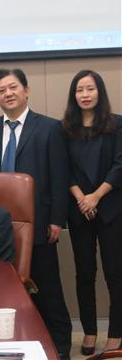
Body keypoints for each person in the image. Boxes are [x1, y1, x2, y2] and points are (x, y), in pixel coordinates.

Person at [0, 68, 72, 358]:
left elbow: (59, 176)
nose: (7, 93)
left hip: (39, 223)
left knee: (48, 291)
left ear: (26, 90)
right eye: (1, 90)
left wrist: (56, 219)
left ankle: (60, 349)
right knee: (2, 292)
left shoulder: (50, 128)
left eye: (13, 87)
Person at [61, 70, 122, 354]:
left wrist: (95, 197)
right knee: (84, 273)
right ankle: (89, 331)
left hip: (112, 208)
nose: (85, 95)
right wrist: (81, 198)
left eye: (90, 89)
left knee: (115, 273)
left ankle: (116, 333)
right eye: (79, 90)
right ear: (73, 95)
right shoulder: (65, 129)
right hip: (79, 210)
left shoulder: (117, 124)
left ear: (100, 92)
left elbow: (120, 165)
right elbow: (64, 169)